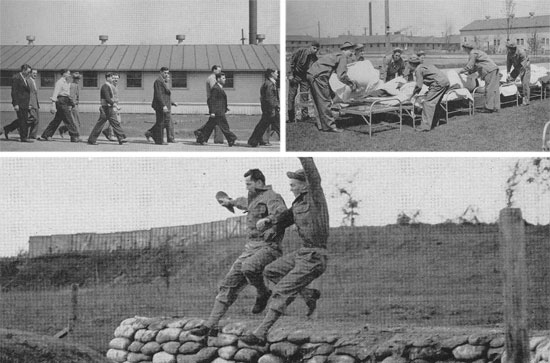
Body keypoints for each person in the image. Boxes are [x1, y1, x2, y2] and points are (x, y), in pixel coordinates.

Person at [241, 157, 329, 345]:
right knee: (271, 271)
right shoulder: (298, 205)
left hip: (315, 256)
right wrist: (269, 222)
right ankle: (307, 294)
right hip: (302, 253)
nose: (290, 188)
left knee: (282, 290)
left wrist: (303, 156)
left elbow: (314, 177)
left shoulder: (315, 198)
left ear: (304, 186)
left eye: (293, 184)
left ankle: (260, 333)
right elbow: (284, 218)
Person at [190, 169, 288, 337]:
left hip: (269, 246)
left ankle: (263, 292)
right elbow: (244, 203)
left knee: (249, 268)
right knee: (228, 283)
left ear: (259, 182)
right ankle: (210, 325)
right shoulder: (253, 198)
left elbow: (283, 214)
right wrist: (229, 202)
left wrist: (269, 221)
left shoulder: (273, 197)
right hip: (250, 248)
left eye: (249, 184)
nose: (247, 187)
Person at [307, 41, 357, 133]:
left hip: (312, 74)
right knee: (325, 101)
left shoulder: (335, 55)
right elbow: (341, 75)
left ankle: (321, 125)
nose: (352, 53)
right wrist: (351, 83)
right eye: (351, 51)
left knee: (318, 101)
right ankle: (330, 126)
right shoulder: (343, 57)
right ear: (345, 50)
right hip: (319, 77)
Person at [193, 73, 237, 146]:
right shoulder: (215, 88)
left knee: (209, 126)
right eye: (223, 78)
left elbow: (220, 100)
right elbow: (212, 100)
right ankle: (231, 139)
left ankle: (200, 136)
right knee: (224, 126)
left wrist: (225, 107)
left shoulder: (219, 87)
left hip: (219, 110)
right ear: (218, 79)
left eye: (225, 78)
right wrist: (212, 112)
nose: (225, 79)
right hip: (217, 112)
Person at [408, 55, 450, 132]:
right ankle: (435, 122)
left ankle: (425, 126)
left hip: (438, 83)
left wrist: (412, 94)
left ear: (412, 64)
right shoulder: (425, 65)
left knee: (428, 103)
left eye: (408, 65)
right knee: (435, 103)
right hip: (445, 82)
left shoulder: (418, 69)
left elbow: (419, 86)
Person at [39, 69, 81, 142]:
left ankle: (46, 135)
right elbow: (55, 94)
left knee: (57, 120)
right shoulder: (59, 82)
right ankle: (74, 136)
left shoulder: (67, 82)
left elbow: (67, 94)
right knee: (68, 119)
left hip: (65, 100)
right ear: (64, 74)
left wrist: (70, 103)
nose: (69, 75)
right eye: (68, 73)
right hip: (61, 101)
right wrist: (53, 105)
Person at [458, 42, 500, 113]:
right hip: (494, 69)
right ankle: (495, 107)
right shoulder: (478, 52)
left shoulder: (472, 53)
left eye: (464, 49)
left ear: (466, 48)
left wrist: (460, 72)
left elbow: (470, 66)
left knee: (489, 89)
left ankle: (489, 108)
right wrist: (469, 72)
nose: (464, 51)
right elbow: (476, 66)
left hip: (489, 70)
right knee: (495, 89)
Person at [87, 72, 127, 145]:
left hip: (110, 108)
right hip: (105, 108)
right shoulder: (105, 86)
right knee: (100, 125)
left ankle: (121, 138)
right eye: (111, 77)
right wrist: (115, 105)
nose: (113, 79)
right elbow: (107, 98)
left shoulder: (109, 86)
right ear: (107, 78)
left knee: (115, 123)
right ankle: (91, 140)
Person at [287, 41, 319, 123]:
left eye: (317, 49)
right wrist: (290, 74)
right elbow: (291, 62)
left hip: (305, 78)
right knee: (292, 96)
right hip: (295, 76)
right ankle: (291, 118)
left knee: (304, 96)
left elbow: (314, 70)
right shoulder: (300, 51)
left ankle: (304, 116)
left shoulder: (315, 58)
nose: (315, 51)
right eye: (314, 48)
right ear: (310, 47)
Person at [4, 66, 39, 141]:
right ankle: (24, 137)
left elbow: (27, 93)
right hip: (19, 103)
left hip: (25, 103)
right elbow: (14, 92)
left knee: (23, 119)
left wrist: (29, 104)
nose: (29, 73)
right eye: (28, 72)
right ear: (23, 70)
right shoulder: (16, 78)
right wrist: (15, 104)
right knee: (23, 120)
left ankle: (7, 128)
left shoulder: (24, 78)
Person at [248, 68, 280, 147]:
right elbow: (269, 98)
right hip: (271, 109)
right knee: (278, 126)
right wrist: (275, 107)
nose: (277, 74)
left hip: (268, 109)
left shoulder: (268, 83)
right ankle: (253, 140)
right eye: (276, 73)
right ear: (271, 74)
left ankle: (254, 140)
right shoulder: (269, 84)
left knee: (263, 125)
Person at [150, 67, 178, 145]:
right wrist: (163, 106)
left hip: (165, 105)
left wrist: (172, 102)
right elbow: (158, 95)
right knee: (161, 122)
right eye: (165, 73)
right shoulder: (158, 82)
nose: (166, 74)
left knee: (164, 122)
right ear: (161, 72)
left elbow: (165, 95)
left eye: (167, 73)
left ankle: (152, 134)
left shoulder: (163, 82)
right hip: (160, 106)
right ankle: (159, 140)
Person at [506, 41, 531, 106]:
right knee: (509, 79)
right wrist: (508, 72)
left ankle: (526, 101)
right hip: (517, 67)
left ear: (513, 48)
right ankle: (512, 96)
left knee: (525, 83)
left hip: (525, 67)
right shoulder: (509, 53)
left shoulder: (521, 52)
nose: (508, 49)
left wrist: (519, 76)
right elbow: (508, 63)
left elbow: (523, 66)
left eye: (509, 48)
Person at [59, 71, 81, 138]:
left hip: (75, 105)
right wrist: (71, 105)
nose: (79, 80)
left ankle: (63, 129)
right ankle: (76, 136)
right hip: (72, 106)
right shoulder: (73, 85)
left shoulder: (76, 85)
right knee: (76, 122)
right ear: (75, 79)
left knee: (74, 121)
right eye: (78, 78)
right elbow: (70, 96)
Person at [206, 65, 224, 144]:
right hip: (214, 101)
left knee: (214, 121)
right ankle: (202, 134)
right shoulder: (212, 78)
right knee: (217, 119)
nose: (220, 72)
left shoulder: (215, 78)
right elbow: (215, 90)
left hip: (217, 101)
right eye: (219, 71)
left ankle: (202, 135)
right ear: (214, 70)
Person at [101, 73, 121, 141]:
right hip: (112, 105)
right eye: (114, 78)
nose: (115, 79)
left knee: (115, 120)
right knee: (115, 120)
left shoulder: (116, 86)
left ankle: (108, 132)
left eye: (117, 78)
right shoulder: (110, 86)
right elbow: (110, 97)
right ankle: (111, 134)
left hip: (115, 104)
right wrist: (114, 105)